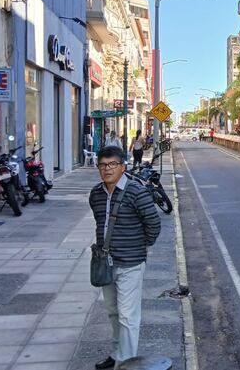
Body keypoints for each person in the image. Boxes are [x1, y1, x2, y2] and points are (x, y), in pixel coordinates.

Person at [89, 146, 160, 369]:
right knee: (113, 312)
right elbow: (100, 222)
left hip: (131, 263)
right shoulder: (96, 194)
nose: (107, 169)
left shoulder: (136, 192)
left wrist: (140, 247)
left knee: (128, 316)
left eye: (112, 164)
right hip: (106, 264)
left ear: (123, 167)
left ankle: (126, 364)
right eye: (102, 165)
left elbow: (153, 224)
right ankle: (118, 353)